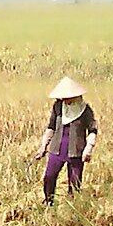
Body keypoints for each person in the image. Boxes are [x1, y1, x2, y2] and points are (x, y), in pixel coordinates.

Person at [34, 76, 98, 205]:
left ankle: (72, 207)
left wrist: (88, 149)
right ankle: (48, 202)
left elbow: (93, 130)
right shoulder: (58, 107)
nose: (65, 100)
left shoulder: (85, 110)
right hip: (57, 149)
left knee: (75, 183)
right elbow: (51, 127)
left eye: (68, 98)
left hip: (76, 151)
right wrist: (43, 147)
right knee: (49, 177)